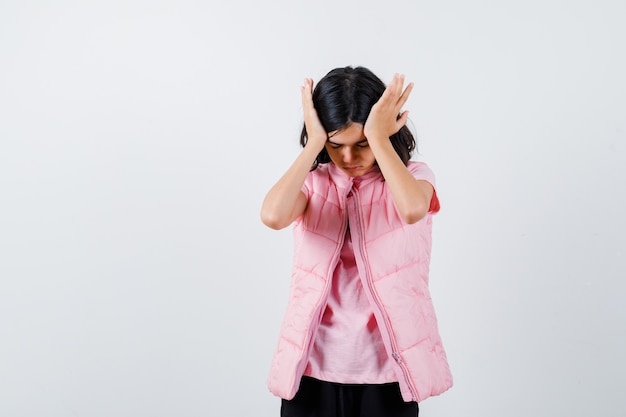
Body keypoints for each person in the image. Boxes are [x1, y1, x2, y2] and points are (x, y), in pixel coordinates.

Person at [261, 66, 452, 417]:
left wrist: (379, 140)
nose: (348, 158)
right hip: (310, 370)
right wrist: (313, 146)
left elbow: (412, 210)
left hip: (389, 373)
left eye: (362, 144)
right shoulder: (313, 182)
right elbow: (272, 216)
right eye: (336, 146)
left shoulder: (413, 177)